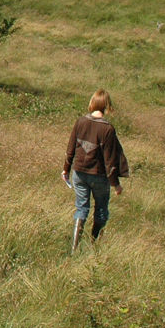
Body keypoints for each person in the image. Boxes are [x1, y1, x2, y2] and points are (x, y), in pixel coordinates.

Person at [61, 89, 129, 252]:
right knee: (101, 210)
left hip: (79, 173)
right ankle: (94, 246)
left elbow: (70, 150)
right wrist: (116, 184)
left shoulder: (80, 122)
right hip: (99, 176)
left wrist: (66, 170)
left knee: (81, 208)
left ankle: (74, 249)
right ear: (107, 106)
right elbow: (109, 161)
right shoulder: (108, 129)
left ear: (92, 103)